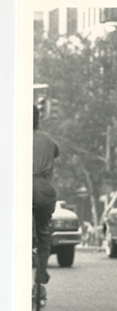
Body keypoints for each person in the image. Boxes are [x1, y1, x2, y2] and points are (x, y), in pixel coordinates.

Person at [33, 105, 58, 287]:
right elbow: (55, 153)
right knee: (43, 234)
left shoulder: (11, 137)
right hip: (44, 189)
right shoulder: (48, 140)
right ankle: (41, 273)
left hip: (19, 187)